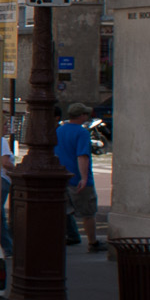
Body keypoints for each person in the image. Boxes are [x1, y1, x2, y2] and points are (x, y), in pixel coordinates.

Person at [58, 102, 100, 251]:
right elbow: (82, 156)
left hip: (63, 177)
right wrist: (84, 177)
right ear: (82, 116)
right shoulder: (82, 132)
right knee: (88, 213)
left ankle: (65, 236)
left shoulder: (59, 130)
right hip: (77, 179)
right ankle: (93, 242)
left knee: (65, 211)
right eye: (86, 114)